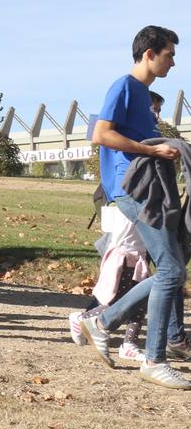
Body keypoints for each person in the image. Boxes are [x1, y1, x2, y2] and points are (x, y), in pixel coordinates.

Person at [78, 25, 191, 389]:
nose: (173, 62)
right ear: (149, 53)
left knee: (172, 268)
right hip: (130, 189)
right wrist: (153, 150)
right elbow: (101, 134)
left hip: (148, 189)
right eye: (169, 54)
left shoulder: (143, 95)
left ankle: (103, 322)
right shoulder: (124, 86)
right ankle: (154, 360)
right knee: (172, 269)